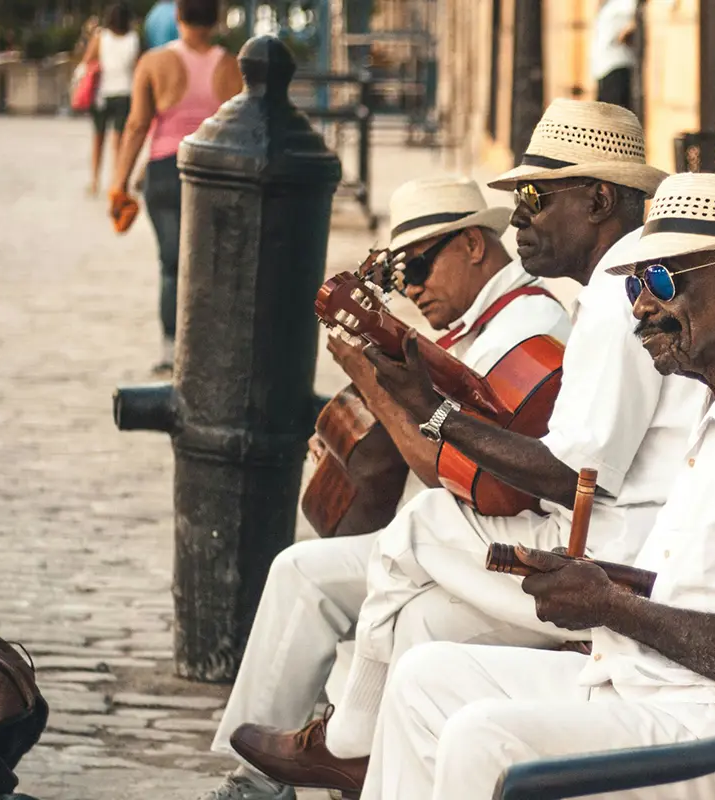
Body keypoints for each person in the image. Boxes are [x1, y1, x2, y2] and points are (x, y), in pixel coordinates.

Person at [355, 172, 715, 800]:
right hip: (686, 696)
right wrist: (603, 586)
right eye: (637, 284)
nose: (641, 305)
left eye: (663, 281)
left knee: (482, 739)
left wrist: (614, 608)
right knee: (426, 677)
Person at [224, 100, 710, 798]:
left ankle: (347, 743)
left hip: (617, 555)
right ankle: (337, 760)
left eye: (537, 198)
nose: (519, 219)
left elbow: (572, 473)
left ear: (600, 198)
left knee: (422, 526)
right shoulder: (621, 285)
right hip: (621, 533)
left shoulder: (616, 297)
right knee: (419, 620)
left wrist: (439, 413)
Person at [197, 176, 573, 800]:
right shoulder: (471, 327)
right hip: (470, 533)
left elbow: (457, 472)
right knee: (302, 571)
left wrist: (371, 383)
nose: (413, 289)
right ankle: (261, 778)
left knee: (357, 586)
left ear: (475, 246)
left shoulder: (526, 327)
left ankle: (333, 757)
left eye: (420, 265)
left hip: (506, 541)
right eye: (400, 278)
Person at [109, 0, 242, 375]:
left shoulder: (153, 63)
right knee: (215, 263)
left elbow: (136, 126)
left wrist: (118, 184)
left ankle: (171, 350)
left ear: (178, 17)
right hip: (216, 171)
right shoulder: (232, 66)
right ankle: (211, 345)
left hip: (167, 169)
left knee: (171, 263)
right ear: (216, 20)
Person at [80, 3, 139, 196]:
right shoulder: (133, 39)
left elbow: (87, 60)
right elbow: (137, 67)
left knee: (98, 139)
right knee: (119, 141)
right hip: (125, 93)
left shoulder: (100, 38)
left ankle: (95, 180)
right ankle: (117, 180)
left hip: (102, 94)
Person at [591, 0, 638, 109]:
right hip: (602, 68)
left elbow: (635, 18)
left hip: (617, 64)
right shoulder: (607, 6)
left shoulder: (623, 3)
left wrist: (625, 34)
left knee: (615, 114)